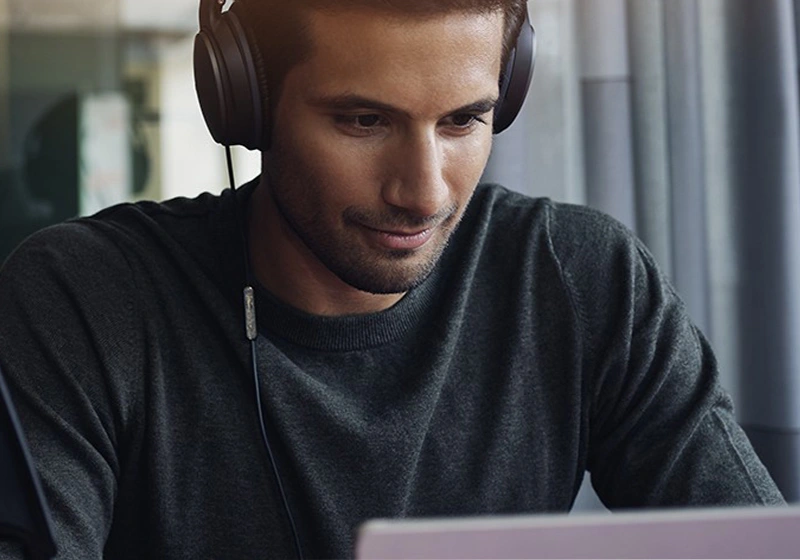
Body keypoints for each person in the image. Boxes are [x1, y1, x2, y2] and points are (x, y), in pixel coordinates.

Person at [0, 0, 785, 558]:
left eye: (462, 121)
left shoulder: (580, 279)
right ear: (246, 102)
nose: (426, 191)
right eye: (363, 121)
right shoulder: (83, 299)